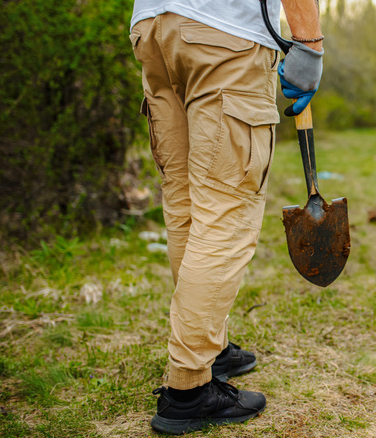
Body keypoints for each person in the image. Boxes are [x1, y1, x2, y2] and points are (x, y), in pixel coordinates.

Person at [128, 0, 323, 434]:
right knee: (224, 213)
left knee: (188, 206)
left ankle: (208, 347)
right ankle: (189, 388)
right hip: (224, 35)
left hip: (154, 29)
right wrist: (309, 45)